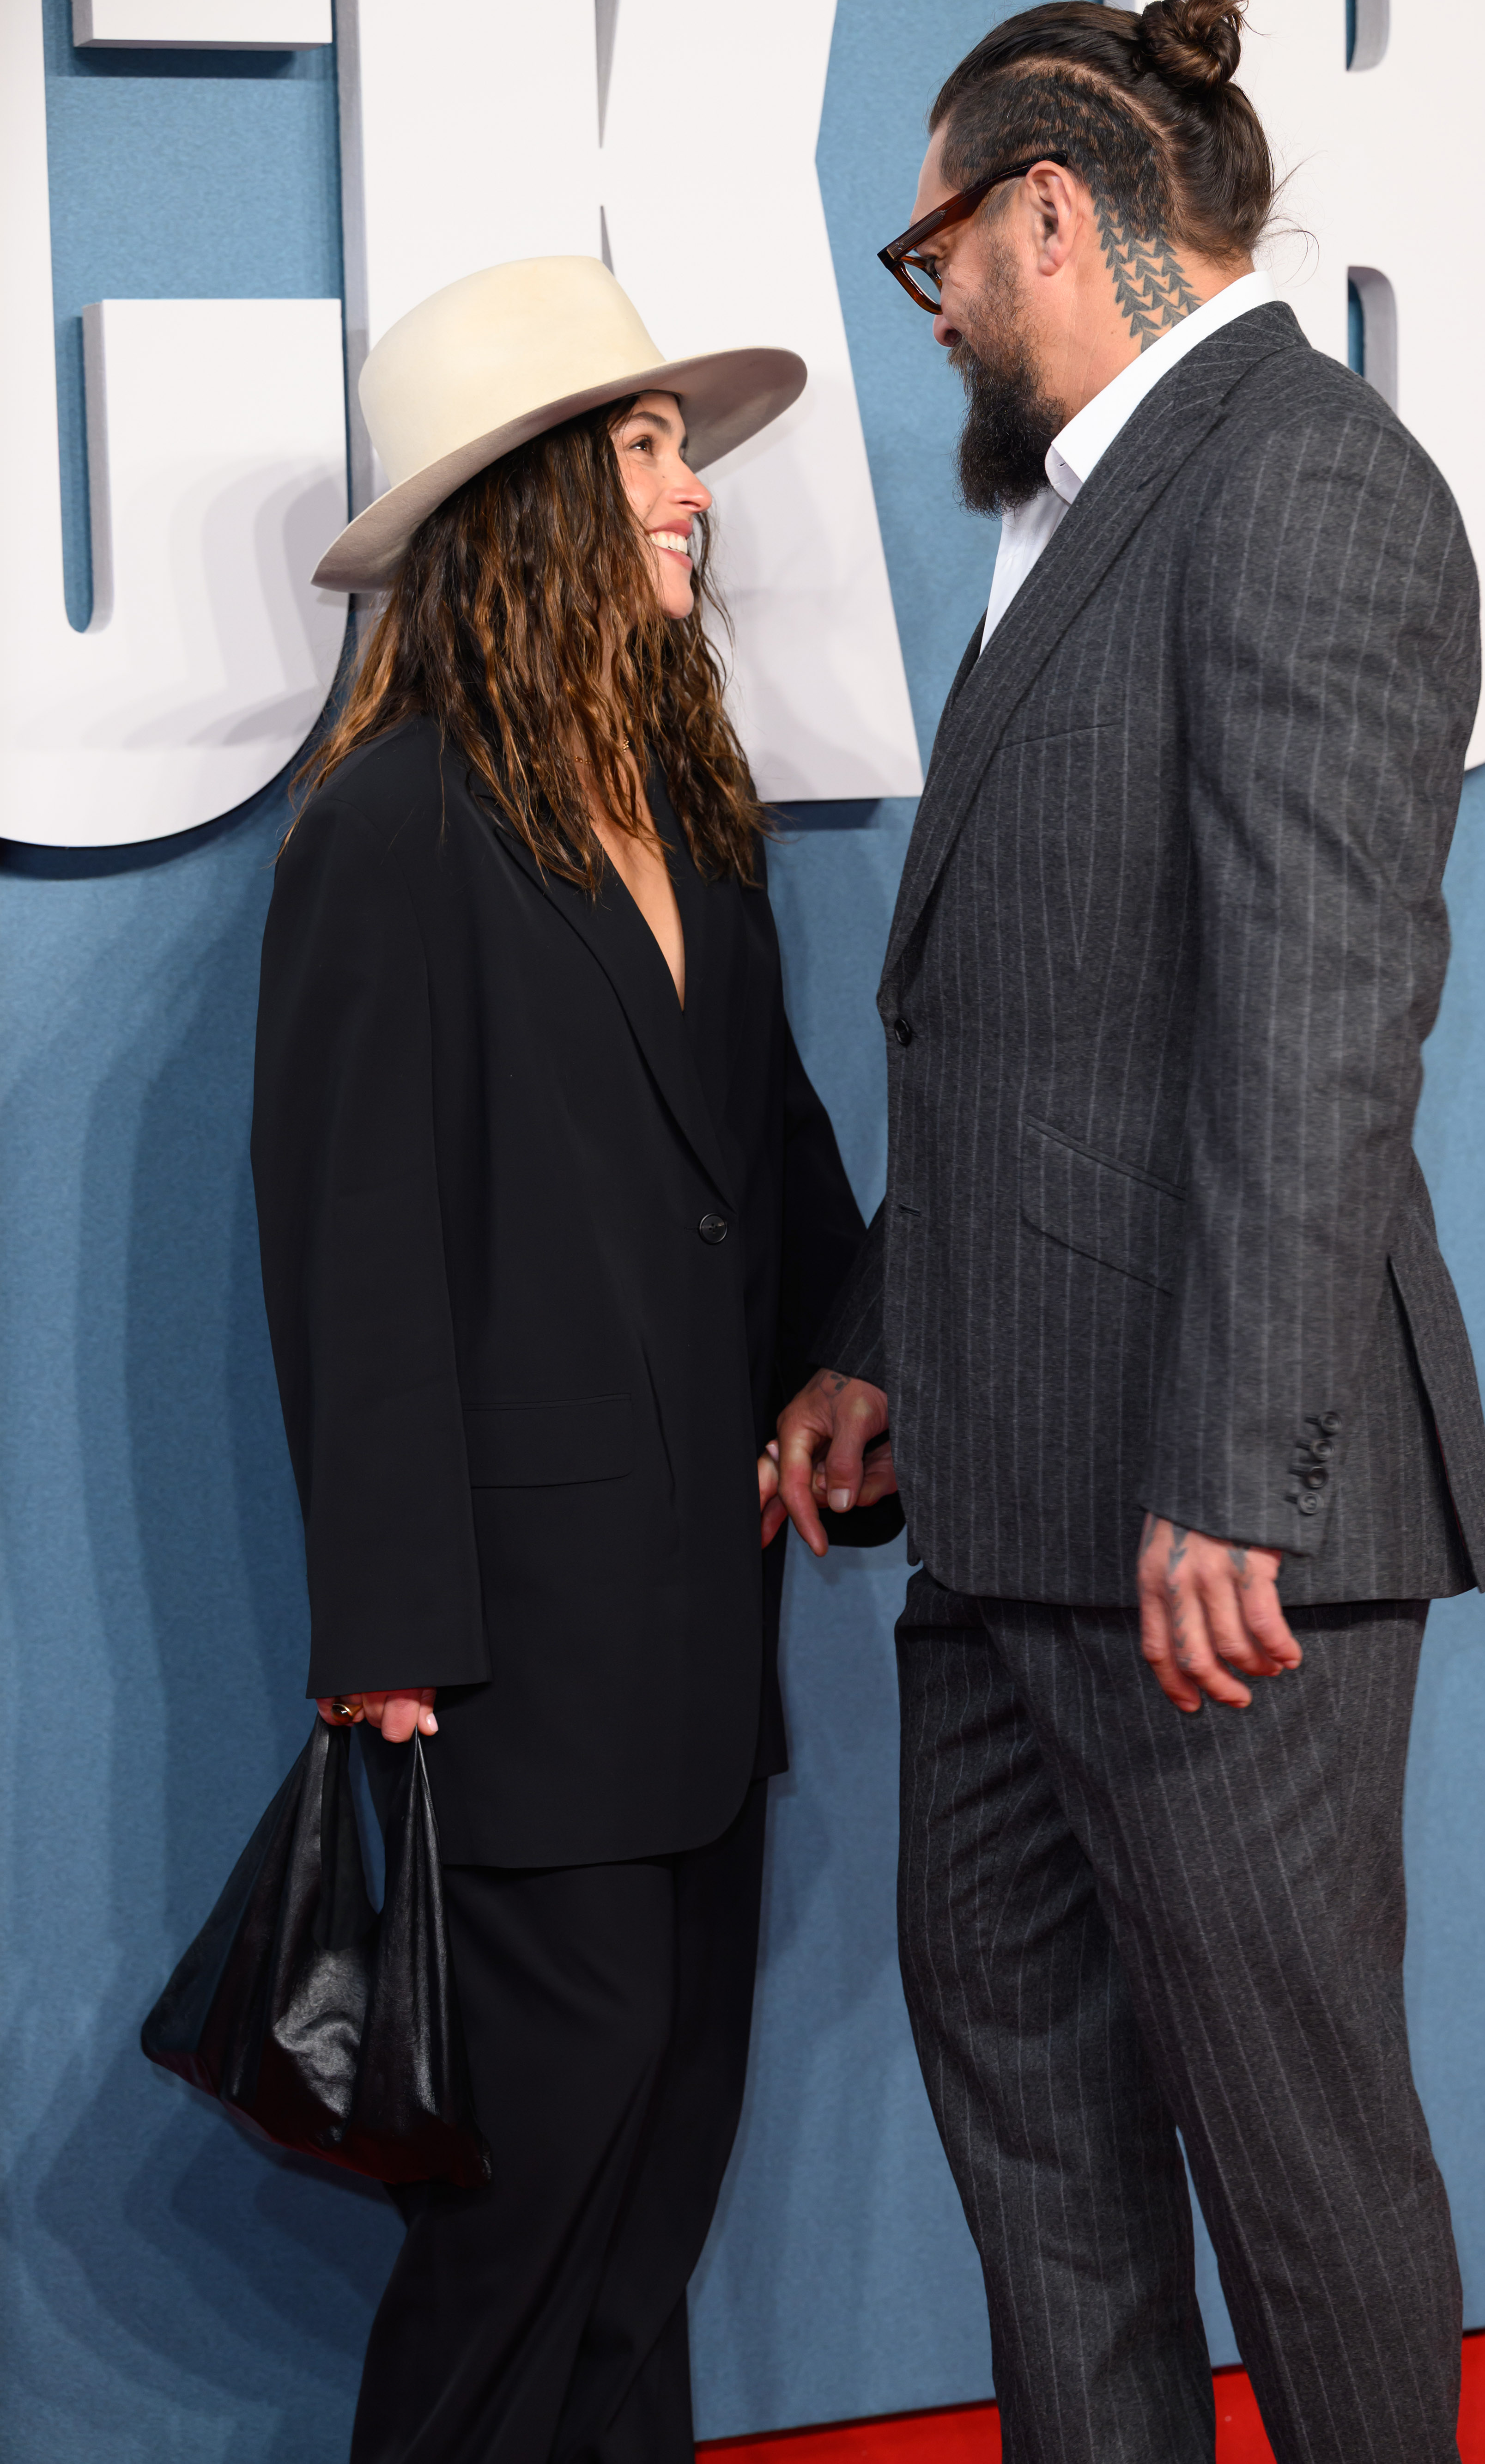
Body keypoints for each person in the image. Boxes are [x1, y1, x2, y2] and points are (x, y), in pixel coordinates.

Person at [774, 0, 1485, 2464]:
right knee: (1044, 2164)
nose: (938, 305)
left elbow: (1316, 1018)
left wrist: (1238, 1470)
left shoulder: (1303, 488)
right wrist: (885, 1323)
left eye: (934, 252)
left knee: (1294, 2176)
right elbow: (1022, 1021)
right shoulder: (1077, 515)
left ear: (1047, 215)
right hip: (1000, 1509)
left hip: (1210, 1535)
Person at [253, 256, 894, 2464]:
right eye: (639, 447)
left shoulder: (692, 817)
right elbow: (352, 1258)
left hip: (701, 1652)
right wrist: (392, 1647)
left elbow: (774, 1161)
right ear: (527, 497)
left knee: (647, 2204)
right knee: (523, 2232)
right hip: (511, 1679)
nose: (687, 488)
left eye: (678, 449)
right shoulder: (388, 829)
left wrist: (850, 1379)